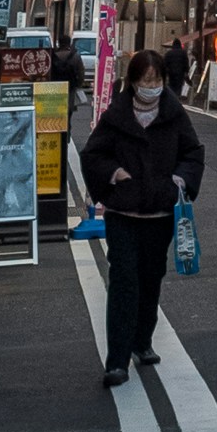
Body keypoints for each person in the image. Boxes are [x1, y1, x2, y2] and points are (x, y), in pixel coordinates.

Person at [82, 49, 205, 388]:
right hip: (123, 213)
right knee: (123, 281)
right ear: (133, 81)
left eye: (157, 80)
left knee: (151, 278)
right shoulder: (117, 115)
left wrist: (180, 179)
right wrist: (114, 173)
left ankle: (142, 341)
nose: (151, 87)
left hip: (161, 212)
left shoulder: (174, 114)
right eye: (145, 81)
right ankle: (117, 361)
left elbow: (193, 152)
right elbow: (94, 154)